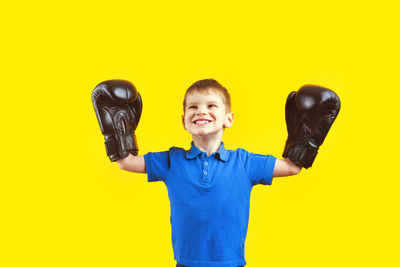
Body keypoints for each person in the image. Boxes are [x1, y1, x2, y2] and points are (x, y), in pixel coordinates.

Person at [92, 79, 340, 267]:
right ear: (184, 120)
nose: (201, 111)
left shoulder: (244, 162)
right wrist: (118, 132)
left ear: (228, 119)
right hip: (186, 263)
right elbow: (126, 162)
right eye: (193, 107)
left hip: (230, 264)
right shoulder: (172, 160)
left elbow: (291, 167)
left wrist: (304, 139)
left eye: (211, 105)